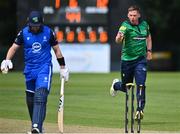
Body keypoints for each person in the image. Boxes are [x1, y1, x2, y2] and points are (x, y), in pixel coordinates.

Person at [0, 11, 69, 133]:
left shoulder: (48, 32)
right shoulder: (24, 33)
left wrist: (63, 67)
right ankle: (38, 127)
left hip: (44, 68)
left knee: (40, 96)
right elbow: (14, 47)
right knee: (30, 99)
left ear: (41, 24)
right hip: (29, 70)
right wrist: (7, 60)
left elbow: (57, 50)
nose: (35, 27)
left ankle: (36, 127)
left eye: (37, 25)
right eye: (33, 25)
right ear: (29, 23)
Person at [110, 5, 152, 120]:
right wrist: (120, 37)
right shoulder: (125, 25)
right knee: (127, 87)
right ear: (128, 16)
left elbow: (148, 37)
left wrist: (149, 50)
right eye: (130, 15)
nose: (132, 18)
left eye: (134, 15)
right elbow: (117, 39)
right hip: (127, 61)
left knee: (141, 84)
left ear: (138, 15)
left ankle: (140, 110)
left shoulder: (144, 25)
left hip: (140, 60)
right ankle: (116, 85)